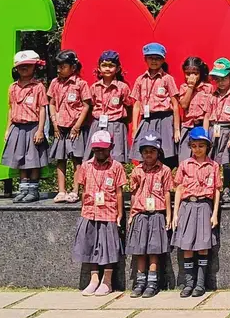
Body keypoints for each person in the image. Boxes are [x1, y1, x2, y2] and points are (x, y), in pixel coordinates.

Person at [71, 129, 126, 296]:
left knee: (108, 247)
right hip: (89, 211)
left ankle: (107, 281)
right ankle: (94, 279)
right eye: (96, 149)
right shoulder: (86, 166)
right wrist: (83, 209)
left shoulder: (116, 167)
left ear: (110, 148)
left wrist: (120, 213)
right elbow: (83, 189)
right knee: (90, 245)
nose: (99, 152)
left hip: (108, 212)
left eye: (103, 149)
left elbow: (118, 192)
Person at [173, 126, 221, 297]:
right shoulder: (185, 165)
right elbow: (179, 188)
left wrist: (214, 213)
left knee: (202, 246)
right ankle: (189, 283)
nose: (198, 149)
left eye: (201, 145)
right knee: (187, 246)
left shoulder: (213, 166)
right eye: (194, 145)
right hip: (188, 206)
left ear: (207, 146)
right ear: (190, 146)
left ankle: (200, 284)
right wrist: (175, 213)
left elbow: (216, 190)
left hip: (204, 206)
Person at [126, 134, 173, 299]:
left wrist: (168, 215)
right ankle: (140, 281)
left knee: (154, 248)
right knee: (140, 249)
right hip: (140, 212)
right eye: (145, 151)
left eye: (152, 151)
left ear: (158, 152)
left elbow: (167, 193)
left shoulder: (165, 170)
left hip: (157, 213)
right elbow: (133, 193)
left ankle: (153, 281)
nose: (148, 154)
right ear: (141, 153)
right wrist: (132, 213)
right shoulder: (137, 170)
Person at [1, 50, 50, 204]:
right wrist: (8, 129)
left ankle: (33, 190)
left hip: (33, 126)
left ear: (34, 67)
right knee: (20, 158)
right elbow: (11, 108)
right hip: (17, 126)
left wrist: (41, 130)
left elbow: (42, 109)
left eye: (28, 66)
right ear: (16, 68)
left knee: (34, 159)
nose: (24, 69)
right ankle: (23, 190)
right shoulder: (13, 87)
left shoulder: (38, 87)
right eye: (21, 66)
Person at [48, 50, 92, 203]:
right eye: (58, 66)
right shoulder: (54, 83)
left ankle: (75, 190)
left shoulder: (81, 84)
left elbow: (86, 105)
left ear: (73, 67)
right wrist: (54, 123)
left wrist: (78, 126)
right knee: (60, 159)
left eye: (63, 66)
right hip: (60, 127)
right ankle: (61, 191)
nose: (59, 69)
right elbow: (52, 104)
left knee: (76, 159)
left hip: (75, 127)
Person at [130, 42, 178, 163]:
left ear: (163, 60)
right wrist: (135, 128)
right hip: (146, 119)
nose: (154, 61)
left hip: (165, 119)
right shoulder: (140, 80)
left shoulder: (167, 79)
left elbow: (175, 104)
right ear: (145, 59)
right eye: (151, 58)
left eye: (158, 58)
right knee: (146, 150)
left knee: (165, 153)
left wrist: (177, 129)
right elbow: (136, 105)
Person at [88, 51, 131, 163]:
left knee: (116, 156)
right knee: (96, 155)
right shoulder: (94, 87)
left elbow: (129, 105)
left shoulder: (123, 87)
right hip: (98, 124)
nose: (107, 69)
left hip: (116, 125)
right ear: (99, 68)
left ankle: (117, 179)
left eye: (111, 66)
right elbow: (91, 105)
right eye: (104, 65)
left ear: (117, 69)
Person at [204, 58, 230, 203]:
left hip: (227, 130)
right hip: (213, 130)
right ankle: (211, 188)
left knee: (226, 162)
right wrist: (205, 135)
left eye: (223, 79)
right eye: (217, 79)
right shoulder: (212, 96)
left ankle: (226, 190)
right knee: (211, 162)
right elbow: (206, 115)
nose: (220, 82)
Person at [177, 57, 212, 163]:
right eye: (188, 73)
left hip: (201, 126)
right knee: (185, 159)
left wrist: (205, 133)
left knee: (201, 157)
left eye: (195, 73)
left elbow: (208, 112)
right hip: (188, 127)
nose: (191, 76)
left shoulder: (208, 88)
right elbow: (183, 105)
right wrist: (191, 87)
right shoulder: (184, 87)